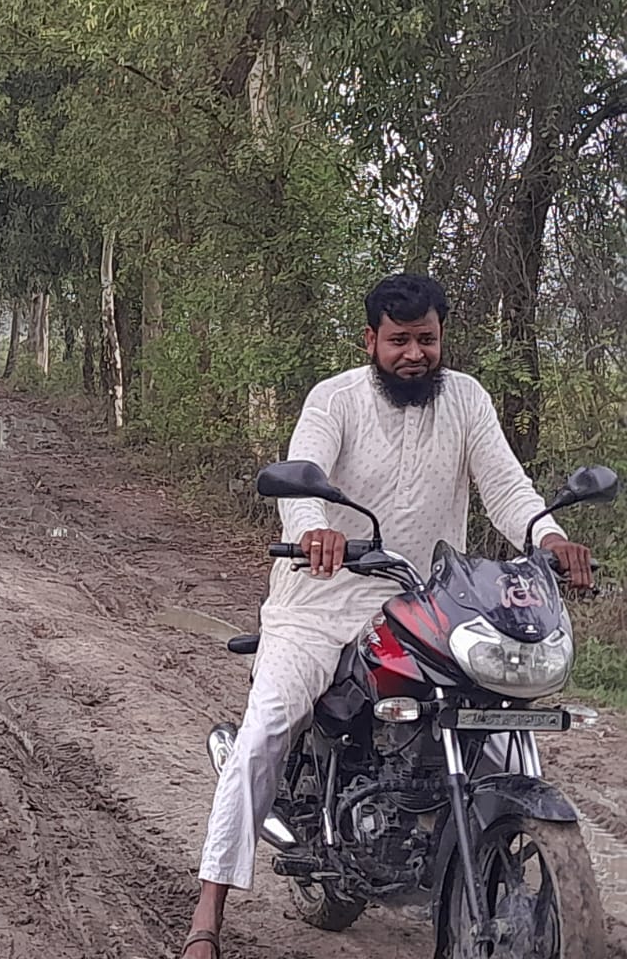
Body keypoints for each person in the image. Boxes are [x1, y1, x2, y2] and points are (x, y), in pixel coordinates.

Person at [179, 272, 595, 959]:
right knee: (266, 728)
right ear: (371, 339)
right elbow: (301, 476)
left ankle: (497, 871)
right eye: (398, 341)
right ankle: (208, 913)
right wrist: (315, 530)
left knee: (495, 726)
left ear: (441, 338)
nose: (414, 354)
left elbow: (506, 486)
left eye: (426, 340)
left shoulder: (466, 400)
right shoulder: (334, 399)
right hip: (321, 599)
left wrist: (549, 539)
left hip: (426, 603)